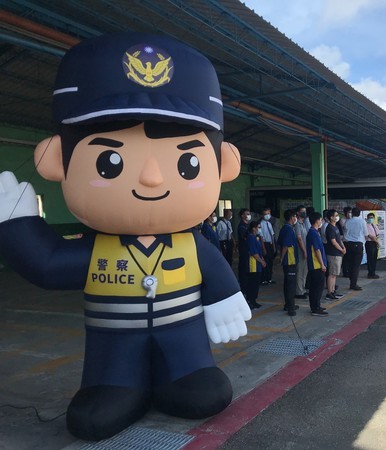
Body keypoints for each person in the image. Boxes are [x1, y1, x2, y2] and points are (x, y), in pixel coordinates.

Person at [0, 32, 251, 440]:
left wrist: (224, 296)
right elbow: (47, 265)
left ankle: (185, 374)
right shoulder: (95, 250)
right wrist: (16, 228)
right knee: (97, 412)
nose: (151, 177)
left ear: (225, 165)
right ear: (54, 160)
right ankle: (117, 388)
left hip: (184, 343)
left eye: (187, 163)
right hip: (113, 348)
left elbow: (215, 269)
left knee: (204, 392)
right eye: (109, 161)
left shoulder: (193, 246)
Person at [305, 212, 328, 316]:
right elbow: (316, 250)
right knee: (316, 287)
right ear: (317, 220)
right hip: (316, 265)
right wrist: (322, 264)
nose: (321, 221)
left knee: (317, 287)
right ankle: (315, 308)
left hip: (317, 264)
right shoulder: (313, 233)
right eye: (320, 220)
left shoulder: (315, 232)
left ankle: (316, 305)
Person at [277, 210, 299, 316]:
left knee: (288, 283)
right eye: (295, 216)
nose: (296, 218)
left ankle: (288, 304)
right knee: (290, 284)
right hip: (290, 260)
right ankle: (290, 307)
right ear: (291, 217)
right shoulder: (289, 229)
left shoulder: (285, 228)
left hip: (289, 259)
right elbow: (285, 245)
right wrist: (282, 258)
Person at [344, 207, 368, 290]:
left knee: (350, 263)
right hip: (358, 244)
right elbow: (366, 233)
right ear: (360, 213)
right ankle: (353, 284)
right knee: (356, 265)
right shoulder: (362, 221)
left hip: (348, 244)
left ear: (352, 213)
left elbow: (345, 232)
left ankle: (351, 280)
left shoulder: (348, 221)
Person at [324, 209, 345, 300]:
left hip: (338, 253)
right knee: (331, 274)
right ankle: (329, 292)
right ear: (331, 217)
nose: (337, 217)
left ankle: (333, 291)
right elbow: (333, 242)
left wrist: (343, 247)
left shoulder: (335, 227)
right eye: (336, 215)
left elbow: (339, 240)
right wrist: (341, 249)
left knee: (335, 274)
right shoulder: (329, 228)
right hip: (333, 254)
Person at [246, 221, 266, 309]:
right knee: (253, 283)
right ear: (253, 228)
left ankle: (254, 300)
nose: (259, 229)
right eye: (258, 227)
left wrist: (262, 259)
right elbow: (254, 253)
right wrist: (261, 261)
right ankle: (251, 300)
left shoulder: (255, 237)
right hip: (253, 264)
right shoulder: (251, 238)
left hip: (257, 264)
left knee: (256, 283)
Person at [294, 205, 309, 300]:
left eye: (305, 211)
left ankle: (302, 289)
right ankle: (299, 291)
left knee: (304, 271)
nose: (304, 213)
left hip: (305, 251)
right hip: (300, 251)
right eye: (302, 211)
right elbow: (299, 239)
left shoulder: (303, 224)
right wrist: (304, 251)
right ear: (298, 213)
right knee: (300, 271)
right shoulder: (297, 225)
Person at [259, 207, 276, 285]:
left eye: (268, 214)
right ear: (262, 215)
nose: (267, 215)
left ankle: (269, 278)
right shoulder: (260, 224)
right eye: (266, 214)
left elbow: (272, 235)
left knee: (270, 262)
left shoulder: (269, 223)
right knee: (265, 261)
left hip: (270, 244)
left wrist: (274, 246)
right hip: (265, 244)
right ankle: (263, 279)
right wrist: (263, 248)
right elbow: (261, 237)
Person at [237, 208, 252, 296]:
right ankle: (243, 289)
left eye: (249, 214)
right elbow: (245, 237)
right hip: (244, 252)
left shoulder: (248, 225)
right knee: (244, 271)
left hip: (249, 251)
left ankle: (247, 289)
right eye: (246, 214)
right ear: (242, 215)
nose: (248, 215)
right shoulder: (241, 226)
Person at [365, 212, 380, 278]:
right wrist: (377, 242)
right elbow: (370, 236)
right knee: (370, 258)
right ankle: (370, 273)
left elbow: (377, 234)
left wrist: (377, 241)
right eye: (369, 218)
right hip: (370, 242)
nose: (371, 219)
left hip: (375, 242)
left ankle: (373, 272)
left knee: (374, 258)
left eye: (372, 218)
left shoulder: (374, 225)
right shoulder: (366, 225)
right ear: (367, 218)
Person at [340, 206, 352, 277]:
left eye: (351, 212)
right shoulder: (343, 220)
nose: (350, 214)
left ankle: (349, 270)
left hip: (351, 240)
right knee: (346, 257)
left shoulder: (352, 219)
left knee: (350, 257)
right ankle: (345, 271)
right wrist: (349, 219)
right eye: (349, 212)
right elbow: (346, 228)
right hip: (345, 240)